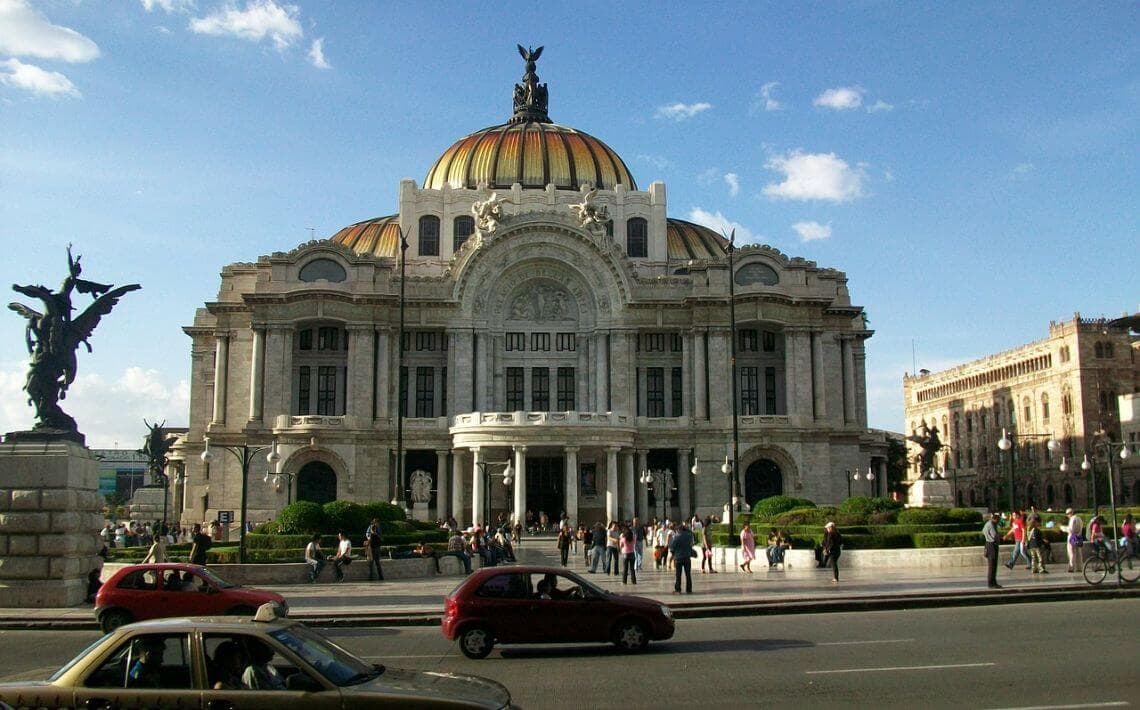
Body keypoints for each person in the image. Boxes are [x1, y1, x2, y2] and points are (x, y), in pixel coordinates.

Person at [669, 522, 695, 594]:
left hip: (678, 558)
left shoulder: (677, 537)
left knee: (678, 575)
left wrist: (674, 555)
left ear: (679, 530)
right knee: (688, 574)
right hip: (687, 557)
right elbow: (692, 544)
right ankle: (689, 589)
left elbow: (672, 548)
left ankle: (678, 589)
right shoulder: (689, 536)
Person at [1061, 508, 1085, 573]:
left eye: (1067, 514)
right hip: (1078, 537)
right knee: (1079, 553)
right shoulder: (1079, 519)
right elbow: (1081, 528)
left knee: (1071, 553)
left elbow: (1070, 530)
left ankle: (1071, 567)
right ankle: (1080, 567)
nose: (1067, 515)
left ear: (1071, 513)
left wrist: (1063, 528)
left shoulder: (1072, 519)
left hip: (1072, 538)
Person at [982, 512, 1002, 589]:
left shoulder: (987, 524)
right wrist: (1000, 538)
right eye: (998, 521)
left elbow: (983, 531)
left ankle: (993, 582)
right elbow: (995, 535)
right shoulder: (991, 525)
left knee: (992, 565)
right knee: (992, 565)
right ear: (995, 519)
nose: (998, 523)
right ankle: (991, 583)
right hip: (992, 545)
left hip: (988, 544)